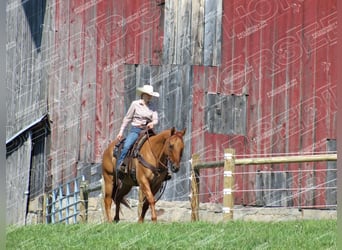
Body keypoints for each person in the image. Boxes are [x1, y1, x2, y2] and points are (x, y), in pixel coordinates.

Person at [116, 84, 159, 180]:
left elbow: (156, 119)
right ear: (143, 94)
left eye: (151, 95)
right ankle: (120, 165)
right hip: (136, 130)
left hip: (148, 130)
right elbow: (127, 118)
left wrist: (152, 123)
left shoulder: (153, 106)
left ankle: (161, 168)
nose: (150, 97)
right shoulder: (135, 104)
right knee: (127, 145)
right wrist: (121, 132)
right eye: (148, 94)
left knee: (159, 145)